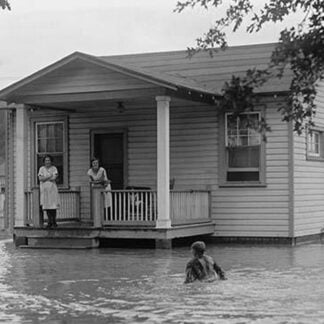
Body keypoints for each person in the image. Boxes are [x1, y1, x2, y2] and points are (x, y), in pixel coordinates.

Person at [38, 155, 59, 228]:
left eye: (49, 160)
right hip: (45, 190)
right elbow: (40, 179)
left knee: (53, 206)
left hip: (52, 189)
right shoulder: (41, 169)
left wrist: (45, 178)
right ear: (44, 161)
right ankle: (49, 221)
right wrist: (49, 176)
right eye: (46, 160)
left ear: (51, 161)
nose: (47, 162)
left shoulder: (54, 168)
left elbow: (54, 178)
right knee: (47, 206)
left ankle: (54, 221)